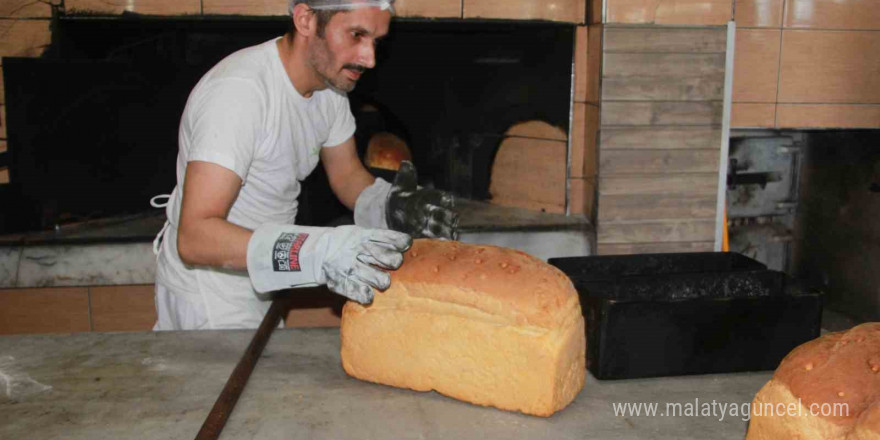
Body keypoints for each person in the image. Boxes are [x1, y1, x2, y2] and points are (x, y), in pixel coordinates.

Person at [151, 0, 458, 330]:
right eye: (356, 35)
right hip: (208, 294)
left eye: (376, 41)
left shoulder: (329, 88)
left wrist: (392, 205)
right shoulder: (239, 94)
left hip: (260, 274)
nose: (369, 58)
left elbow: (347, 176)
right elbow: (195, 238)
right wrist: (320, 252)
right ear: (306, 20)